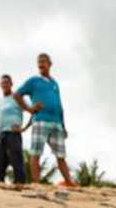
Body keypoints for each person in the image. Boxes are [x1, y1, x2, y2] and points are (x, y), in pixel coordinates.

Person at [14, 53, 76, 186]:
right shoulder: (33, 81)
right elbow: (17, 94)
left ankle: (69, 183)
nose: (40, 64)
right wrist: (29, 109)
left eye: (43, 61)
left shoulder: (54, 84)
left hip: (57, 123)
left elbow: (60, 105)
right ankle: (36, 184)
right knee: (36, 153)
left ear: (50, 64)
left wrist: (64, 126)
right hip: (41, 120)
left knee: (61, 155)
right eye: (38, 62)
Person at [0, 74, 32, 185]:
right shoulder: (0, 101)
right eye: (3, 82)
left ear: (11, 84)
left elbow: (33, 112)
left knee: (16, 161)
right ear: (0, 85)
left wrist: (23, 128)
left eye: (7, 82)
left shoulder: (17, 98)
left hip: (13, 134)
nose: (5, 84)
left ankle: (19, 184)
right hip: (1, 135)